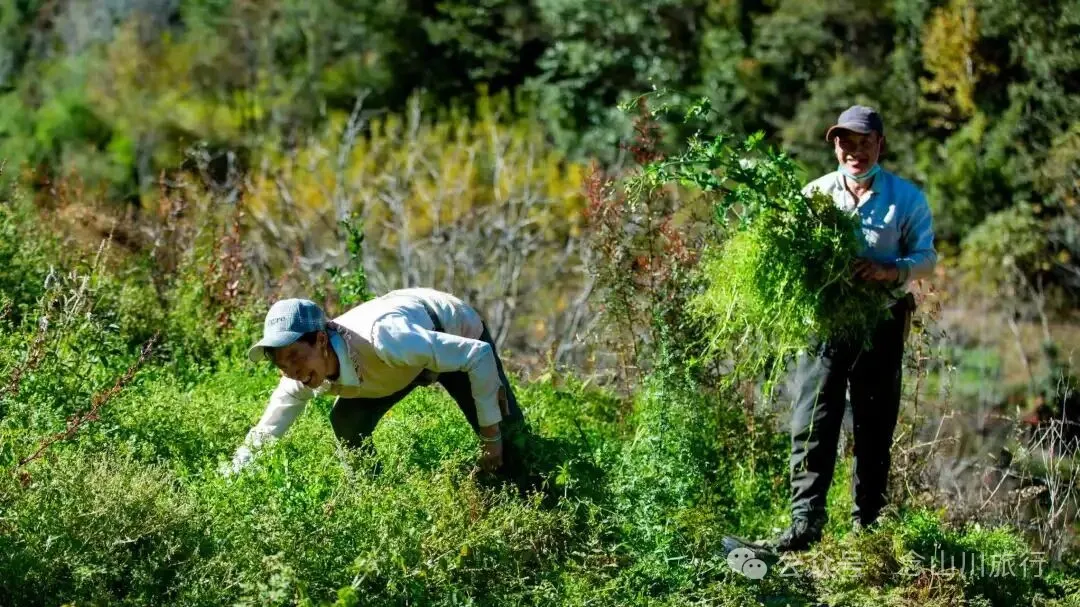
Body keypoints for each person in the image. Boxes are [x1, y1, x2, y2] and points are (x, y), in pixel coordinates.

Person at [765, 105, 938, 551]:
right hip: (825, 320)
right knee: (813, 418)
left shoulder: (906, 197)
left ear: (880, 144)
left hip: (881, 319)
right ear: (835, 145)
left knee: (874, 420)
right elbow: (793, 255)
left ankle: (869, 526)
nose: (854, 151)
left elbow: (927, 259)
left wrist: (888, 271)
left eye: (864, 142)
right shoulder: (815, 194)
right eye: (845, 142)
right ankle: (805, 524)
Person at [223, 287, 527, 475]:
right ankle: (372, 492)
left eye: (293, 356)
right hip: (395, 365)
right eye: (279, 363)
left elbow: (478, 355)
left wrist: (491, 439)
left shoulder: (386, 338)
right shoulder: (299, 376)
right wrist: (229, 477)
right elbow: (266, 430)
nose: (290, 370)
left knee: (512, 441)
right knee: (345, 418)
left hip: (449, 330)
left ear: (319, 340)